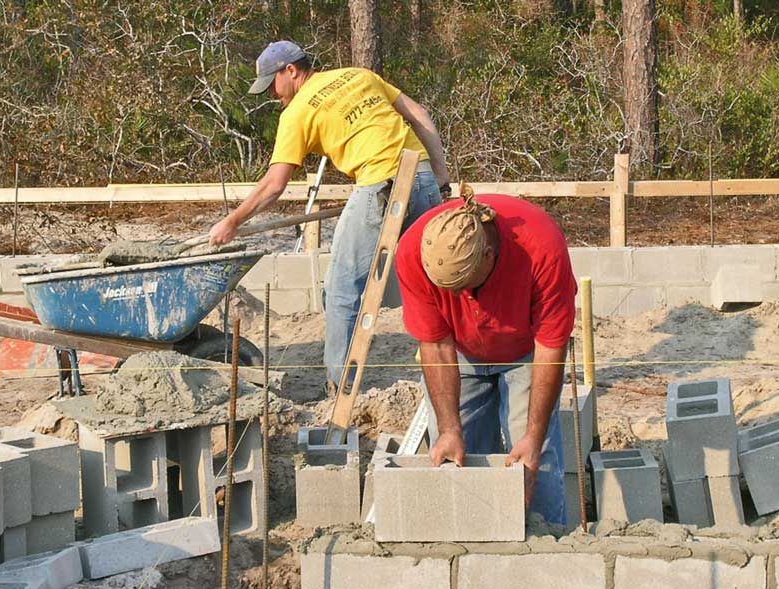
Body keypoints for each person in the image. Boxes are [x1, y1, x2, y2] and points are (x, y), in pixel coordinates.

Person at [208, 40, 450, 392]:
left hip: (379, 185)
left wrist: (233, 221)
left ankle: (341, 388)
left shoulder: (297, 111)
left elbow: (275, 184)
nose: (272, 95)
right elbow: (419, 115)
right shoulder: (358, 75)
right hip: (423, 175)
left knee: (341, 291)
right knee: (437, 279)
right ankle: (452, 364)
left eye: (272, 85)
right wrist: (441, 177)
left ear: (291, 70)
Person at [394, 185, 577, 524]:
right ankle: (475, 550)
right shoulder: (414, 253)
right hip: (459, 352)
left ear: (490, 254)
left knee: (535, 460)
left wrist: (533, 438)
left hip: (527, 352)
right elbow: (435, 344)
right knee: (461, 459)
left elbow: (551, 347)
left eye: (466, 286)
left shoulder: (542, 247)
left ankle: (549, 548)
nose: (461, 297)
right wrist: (450, 429)